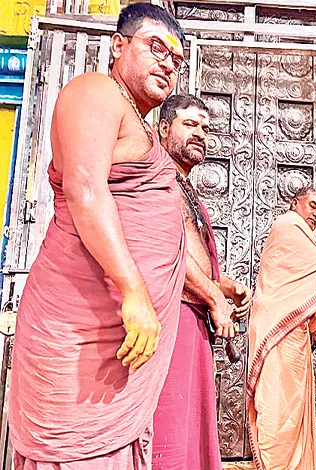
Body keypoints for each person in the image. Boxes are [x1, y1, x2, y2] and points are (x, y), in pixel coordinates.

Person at [9, 4, 187, 469]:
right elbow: (85, 189)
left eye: (176, 58)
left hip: (120, 341)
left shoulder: (138, 123)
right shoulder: (95, 91)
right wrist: (133, 291)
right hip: (81, 329)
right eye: (156, 47)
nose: (168, 63)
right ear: (118, 46)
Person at [152, 94, 253, 470]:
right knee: (169, 430)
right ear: (164, 128)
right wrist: (214, 298)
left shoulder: (183, 184)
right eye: (190, 124)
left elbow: (190, 253)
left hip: (192, 318)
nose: (200, 134)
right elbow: (169, 251)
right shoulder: (155, 177)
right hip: (171, 317)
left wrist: (224, 286)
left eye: (206, 129)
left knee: (190, 427)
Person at [246, 188, 316, 470]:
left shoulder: (301, 236)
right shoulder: (289, 225)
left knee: (293, 403)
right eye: (312, 205)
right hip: (276, 327)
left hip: (291, 329)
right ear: (295, 203)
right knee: (277, 402)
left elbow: (305, 286)